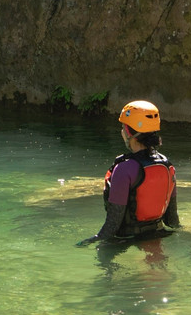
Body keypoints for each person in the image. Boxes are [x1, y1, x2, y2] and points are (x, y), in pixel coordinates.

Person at [77, 100, 180, 247]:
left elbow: (112, 226)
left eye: (123, 127)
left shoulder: (124, 169)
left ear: (128, 132)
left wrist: (89, 242)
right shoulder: (168, 166)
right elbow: (172, 221)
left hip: (126, 239)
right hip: (158, 234)